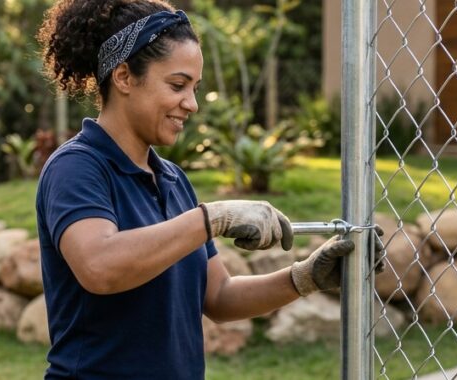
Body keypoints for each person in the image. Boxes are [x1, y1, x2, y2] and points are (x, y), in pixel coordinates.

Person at [35, 1, 383, 378]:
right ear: (123, 77)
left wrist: (304, 277)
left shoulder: (171, 180)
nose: (192, 104)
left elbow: (218, 296)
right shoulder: (76, 167)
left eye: (195, 88)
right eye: (178, 85)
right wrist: (214, 217)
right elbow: (100, 267)